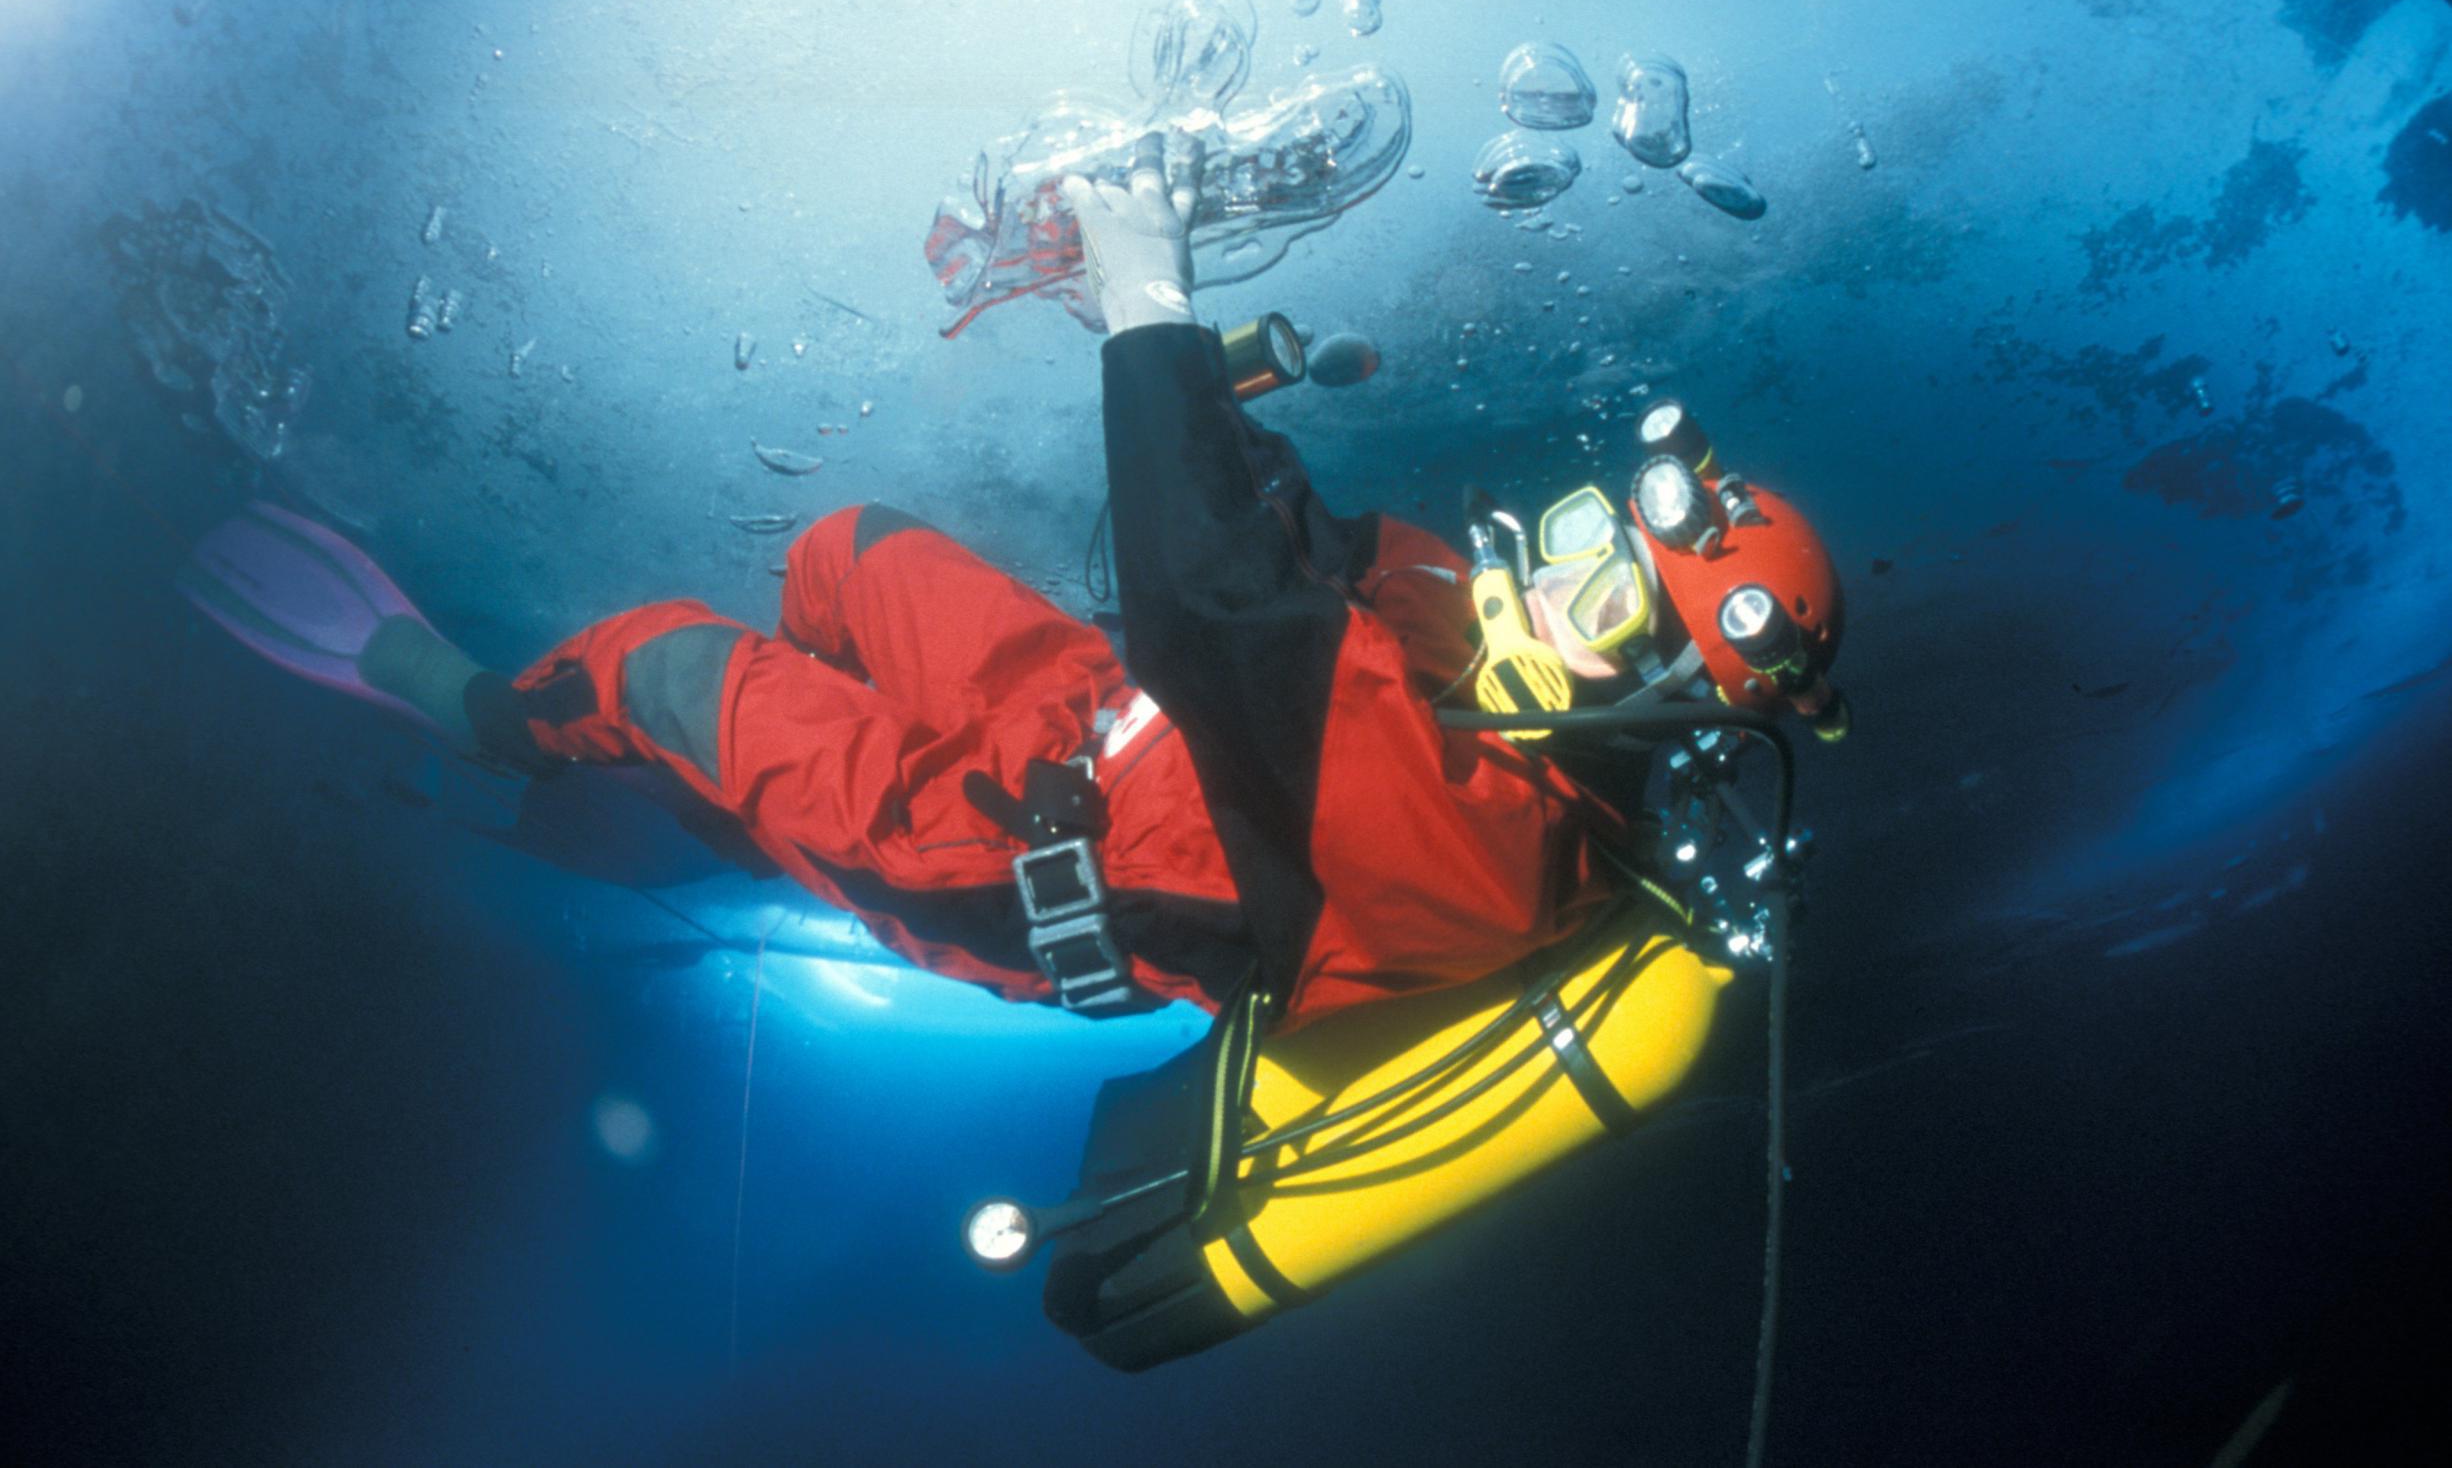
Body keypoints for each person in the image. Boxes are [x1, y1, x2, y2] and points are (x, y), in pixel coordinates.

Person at [182, 133, 1843, 1032]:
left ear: (1667, 703)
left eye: (1613, 610)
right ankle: (744, 793)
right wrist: (1223, 372)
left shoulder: (1483, 851)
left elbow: (1217, 605)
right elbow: (1298, 556)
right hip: (1105, 731)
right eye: (1583, 548)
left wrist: (1148, 306)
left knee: (664, 666)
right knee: (845, 553)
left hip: (1014, 858)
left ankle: (477, 710)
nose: (1556, 594)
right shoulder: (1488, 646)